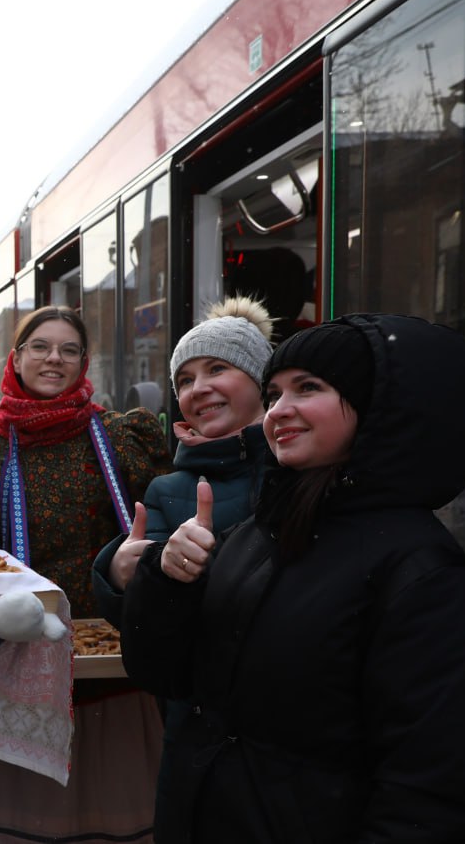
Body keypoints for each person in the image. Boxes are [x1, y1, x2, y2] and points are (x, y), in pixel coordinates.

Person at [121, 314, 465, 843]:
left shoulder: (425, 579)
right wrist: (167, 580)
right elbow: (168, 675)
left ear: (378, 403)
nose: (279, 411)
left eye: (308, 388)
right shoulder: (259, 533)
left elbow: (439, 797)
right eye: (275, 392)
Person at [0, 305, 170, 843]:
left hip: (109, 664)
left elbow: (163, 512)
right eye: (40, 346)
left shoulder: (119, 435)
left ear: (85, 361)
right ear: (16, 358)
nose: (53, 358)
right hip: (25, 663)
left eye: (68, 349)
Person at [90, 296, 275, 840]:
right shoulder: (171, 488)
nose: (200, 388)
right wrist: (126, 575)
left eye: (219, 368)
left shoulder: (304, 466)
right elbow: (157, 637)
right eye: (187, 379)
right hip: (199, 719)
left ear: (262, 380)